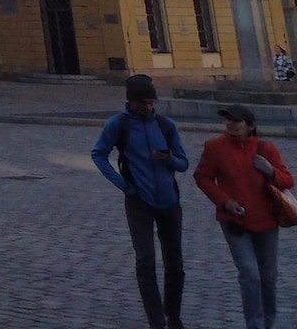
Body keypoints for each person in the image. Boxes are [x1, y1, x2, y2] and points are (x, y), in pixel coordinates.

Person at [92, 73, 191, 329]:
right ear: (131, 101)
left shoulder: (166, 125)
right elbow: (98, 154)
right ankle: (155, 320)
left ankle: (173, 315)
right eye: (143, 103)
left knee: (175, 263)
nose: (148, 108)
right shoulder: (118, 124)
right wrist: (124, 185)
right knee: (146, 261)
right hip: (139, 202)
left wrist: (169, 159)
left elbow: (183, 163)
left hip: (169, 201)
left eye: (151, 103)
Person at [194, 102, 292, 329]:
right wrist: (224, 200)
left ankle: (269, 321)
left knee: (268, 276)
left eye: (236, 121)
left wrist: (271, 171)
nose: (230, 124)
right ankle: (254, 324)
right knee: (250, 273)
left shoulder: (266, 149)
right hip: (234, 221)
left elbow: (288, 181)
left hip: (266, 221)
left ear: (250, 126)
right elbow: (202, 177)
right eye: (227, 119)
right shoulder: (215, 147)